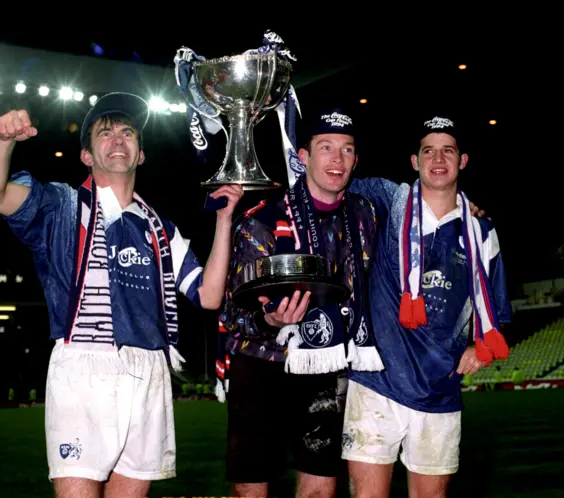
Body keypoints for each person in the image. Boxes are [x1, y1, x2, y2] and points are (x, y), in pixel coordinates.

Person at [0, 92, 244, 498]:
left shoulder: (160, 229)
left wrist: (225, 221)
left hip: (149, 366)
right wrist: (2, 138)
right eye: (105, 133)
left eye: (127, 132)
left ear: (140, 155)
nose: (118, 139)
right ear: (86, 156)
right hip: (84, 362)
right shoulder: (58, 205)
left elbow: (208, 295)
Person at [341, 115, 512, 498]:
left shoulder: (481, 231)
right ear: (414, 161)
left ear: (462, 160)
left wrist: (477, 348)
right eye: (428, 150)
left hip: (440, 387)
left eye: (447, 151)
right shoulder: (389, 199)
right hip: (376, 382)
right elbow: (329, 182)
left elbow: (496, 309)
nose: (438, 159)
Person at [218, 106, 383, 498]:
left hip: (327, 366)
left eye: (346, 150)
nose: (337, 159)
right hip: (260, 363)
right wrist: (269, 320)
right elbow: (230, 312)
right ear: (304, 156)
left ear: (356, 159)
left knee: (321, 487)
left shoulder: (366, 215)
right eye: (326, 147)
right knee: (252, 490)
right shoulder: (263, 219)